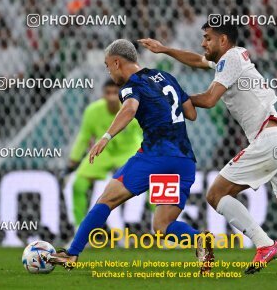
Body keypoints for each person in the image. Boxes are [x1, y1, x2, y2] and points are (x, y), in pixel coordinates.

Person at [139, 22, 277, 274]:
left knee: (215, 194)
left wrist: (172, 98)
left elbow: (209, 99)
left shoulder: (231, 58)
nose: (203, 43)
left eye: (207, 38)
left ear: (223, 40)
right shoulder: (231, 60)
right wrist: (164, 50)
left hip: (267, 140)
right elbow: (197, 60)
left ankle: (264, 244)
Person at [48, 39, 214, 273]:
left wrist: (106, 136)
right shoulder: (165, 77)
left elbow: (129, 109)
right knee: (162, 225)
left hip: (155, 156)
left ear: (117, 62)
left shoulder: (130, 86)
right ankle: (199, 240)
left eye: (107, 66)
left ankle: (72, 253)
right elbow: (191, 114)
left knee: (106, 200)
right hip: (183, 161)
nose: (108, 71)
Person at [65, 79, 142, 226]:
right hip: (103, 152)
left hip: (129, 150)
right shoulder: (92, 111)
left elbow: (143, 133)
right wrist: (73, 161)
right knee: (78, 184)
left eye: (115, 93)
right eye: (108, 93)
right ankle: (80, 229)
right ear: (103, 95)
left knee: (152, 182)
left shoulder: (132, 108)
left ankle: (161, 230)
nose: (112, 97)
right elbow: (84, 136)